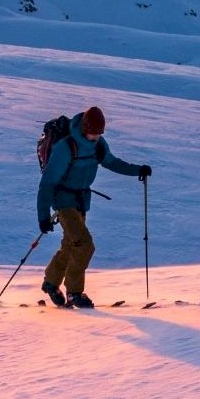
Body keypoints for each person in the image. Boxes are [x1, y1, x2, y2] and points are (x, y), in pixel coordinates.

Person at [36, 105, 151, 308]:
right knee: (84, 244)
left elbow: (112, 162)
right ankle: (74, 292)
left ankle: (51, 282)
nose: (96, 137)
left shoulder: (98, 144)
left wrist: (137, 170)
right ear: (83, 128)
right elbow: (47, 183)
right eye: (93, 133)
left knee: (71, 245)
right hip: (63, 201)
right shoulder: (66, 147)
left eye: (99, 133)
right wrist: (43, 216)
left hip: (81, 200)